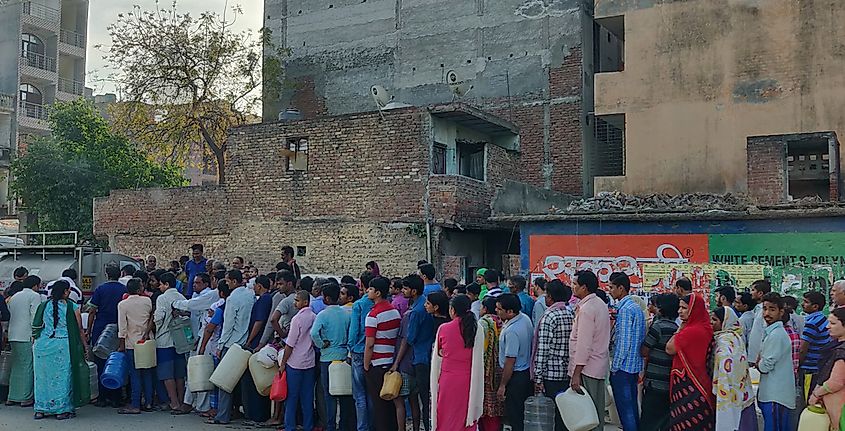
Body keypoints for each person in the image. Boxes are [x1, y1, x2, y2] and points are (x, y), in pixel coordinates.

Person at [32, 280, 90, 420]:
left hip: (43, 346)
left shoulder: (44, 305)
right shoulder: (72, 306)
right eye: (68, 290)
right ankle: (60, 409)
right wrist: (85, 345)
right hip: (62, 346)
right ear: (64, 291)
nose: (69, 292)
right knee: (62, 378)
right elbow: (80, 329)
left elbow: (37, 326)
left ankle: (41, 409)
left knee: (42, 379)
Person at [431, 295, 484, 431]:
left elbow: (439, 353)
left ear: (452, 310)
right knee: (466, 414)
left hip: (448, 380)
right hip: (469, 380)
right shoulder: (477, 329)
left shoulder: (444, 328)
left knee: (446, 416)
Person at [210, 269, 256, 425]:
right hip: (245, 342)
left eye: (228, 280)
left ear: (234, 281)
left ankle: (222, 415)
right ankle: (243, 413)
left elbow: (228, 325)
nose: (226, 283)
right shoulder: (250, 295)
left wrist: (220, 345)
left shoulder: (232, 299)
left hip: (231, 344)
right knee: (242, 383)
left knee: (225, 382)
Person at [172, 272, 220, 414]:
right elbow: (195, 313)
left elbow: (193, 306)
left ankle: (194, 404)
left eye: (198, 283)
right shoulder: (198, 295)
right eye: (194, 282)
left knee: (200, 371)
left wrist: (176, 303)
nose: (194, 285)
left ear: (207, 283)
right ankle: (192, 402)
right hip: (196, 337)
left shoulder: (210, 294)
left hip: (204, 338)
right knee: (194, 370)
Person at [666, 293, 715, 430]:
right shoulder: (705, 327)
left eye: (684, 308)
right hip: (701, 382)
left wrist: (680, 329)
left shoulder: (692, 331)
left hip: (690, 385)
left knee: (686, 422)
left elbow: (669, 348)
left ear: (694, 309)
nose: (679, 311)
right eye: (679, 307)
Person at [569, 270, 610, 431]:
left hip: (587, 368)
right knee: (595, 412)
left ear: (584, 287)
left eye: (575, 284)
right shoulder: (599, 304)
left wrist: (576, 373)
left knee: (587, 416)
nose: (572, 287)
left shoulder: (587, 309)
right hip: (597, 366)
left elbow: (583, 344)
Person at [532, 279, 574, 431]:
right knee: (563, 413)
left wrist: (537, 377)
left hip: (551, 373)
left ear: (549, 297)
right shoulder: (571, 314)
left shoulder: (549, 317)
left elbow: (543, 349)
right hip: (567, 371)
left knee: (551, 415)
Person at [608, 272, 646, 431]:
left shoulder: (624, 310)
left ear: (621, 288)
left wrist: (614, 367)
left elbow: (623, 343)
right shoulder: (636, 307)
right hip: (634, 365)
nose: (609, 291)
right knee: (631, 407)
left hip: (623, 367)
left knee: (626, 411)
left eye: (611, 287)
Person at [310, 281, 351, 431]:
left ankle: (331, 425)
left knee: (329, 394)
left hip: (327, 357)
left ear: (326, 298)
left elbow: (314, 333)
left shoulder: (323, 314)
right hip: (343, 356)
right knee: (345, 393)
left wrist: (321, 344)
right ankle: (346, 425)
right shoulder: (346, 313)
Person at [363, 276, 401, 431]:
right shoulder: (394, 312)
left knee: (379, 406)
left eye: (371, 289)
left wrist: (366, 365)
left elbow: (370, 344)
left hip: (376, 363)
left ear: (377, 293)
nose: (367, 291)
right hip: (391, 361)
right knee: (390, 403)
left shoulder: (373, 315)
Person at [711, 306, 757, 431]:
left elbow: (725, 368)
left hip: (728, 390)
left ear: (724, 322)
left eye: (714, 320)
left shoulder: (725, 342)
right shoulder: (735, 337)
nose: (711, 322)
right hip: (741, 390)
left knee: (731, 421)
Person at [88, 264, 127, 408]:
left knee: (100, 362)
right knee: (117, 363)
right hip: (118, 329)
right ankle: (116, 397)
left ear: (106, 274)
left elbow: (92, 310)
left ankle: (103, 397)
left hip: (101, 329)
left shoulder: (100, 289)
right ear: (120, 274)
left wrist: (89, 331)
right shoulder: (124, 289)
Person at [756, 293, 796, 431]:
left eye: (772, 309)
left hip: (776, 396)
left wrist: (758, 363)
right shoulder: (772, 332)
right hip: (774, 395)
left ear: (781, 312)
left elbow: (765, 366)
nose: (767, 313)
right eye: (765, 309)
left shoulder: (776, 335)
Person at [640, 293, 680, 431]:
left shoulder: (657, 327)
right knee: (663, 421)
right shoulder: (676, 328)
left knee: (648, 420)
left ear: (661, 309)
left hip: (654, 382)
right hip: (668, 382)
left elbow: (644, 351)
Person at [495, 293, 533, 431]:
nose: (496, 311)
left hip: (516, 375)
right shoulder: (525, 319)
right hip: (525, 372)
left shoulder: (512, 331)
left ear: (510, 312)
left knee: (515, 415)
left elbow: (510, 361)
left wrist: (503, 385)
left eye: (499, 309)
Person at [280, 290, 317, 431]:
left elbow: (290, 344)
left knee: (292, 397)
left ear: (305, 302)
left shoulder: (297, 319)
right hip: (309, 361)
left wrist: (283, 363)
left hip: (295, 362)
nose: (295, 303)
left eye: (297, 300)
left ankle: (290, 426)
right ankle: (308, 425)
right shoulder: (314, 317)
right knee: (307, 397)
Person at [401, 274, 435, 431]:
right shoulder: (425, 303)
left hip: (419, 357)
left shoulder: (415, 311)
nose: (403, 291)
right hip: (428, 353)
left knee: (422, 397)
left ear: (413, 291)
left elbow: (410, 338)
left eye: (405, 288)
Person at [152, 271, 189, 413]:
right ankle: (180, 400)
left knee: (167, 374)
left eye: (161, 284)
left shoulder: (162, 298)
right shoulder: (181, 297)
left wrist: (155, 327)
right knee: (179, 373)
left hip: (164, 340)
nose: (159, 287)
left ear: (166, 284)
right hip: (179, 341)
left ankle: (173, 403)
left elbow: (159, 318)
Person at [117, 278, 154, 414]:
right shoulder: (147, 301)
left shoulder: (123, 304)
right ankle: (149, 402)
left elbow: (122, 327)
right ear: (139, 289)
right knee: (147, 373)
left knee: (135, 374)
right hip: (147, 341)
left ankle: (135, 404)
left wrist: (121, 345)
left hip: (132, 343)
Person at [6, 273, 42, 407]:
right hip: (26, 335)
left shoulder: (15, 296)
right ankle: (25, 397)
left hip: (13, 334)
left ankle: (12, 396)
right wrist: (36, 333)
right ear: (35, 286)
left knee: (16, 366)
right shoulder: (34, 296)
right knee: (28, 366)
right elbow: (35, 316)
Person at [348, 271, 376, 431]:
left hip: (359, 350)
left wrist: (351, 347)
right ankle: (371, 425)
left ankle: (362, 427)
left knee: (359, 394)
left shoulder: (359, 305)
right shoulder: (380, 304)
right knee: (371, 392)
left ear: (363, 286)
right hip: (375, 351)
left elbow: (353, 331)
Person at [808, 307, 845, 426]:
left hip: (839, 408)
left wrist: (816, 394)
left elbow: (836, 382)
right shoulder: (836, 346)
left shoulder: (841, 351)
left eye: (833, 323)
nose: (827, 326)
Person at [478, 296, 504, 431]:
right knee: (496, 405)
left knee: (486, 406)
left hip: (487, 370)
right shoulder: (502, 321)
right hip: (500, 367)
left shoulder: (484, 323)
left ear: (486, 308)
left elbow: (481, 348)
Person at [799, 290, 832, 397]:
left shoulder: (812, 323)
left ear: (815, 306)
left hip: (809, 368)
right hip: (819, 366)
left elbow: (802, 349)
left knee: (807, 398)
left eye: (806, 302)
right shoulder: (823, 319)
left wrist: (797, 364)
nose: (802, 304)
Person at [748, 279, 773, 365]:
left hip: (760, 357)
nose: (751, 293)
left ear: (760, 293)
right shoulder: (758, 309)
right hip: (753, 356)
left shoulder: (764, 311)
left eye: (753, 290)